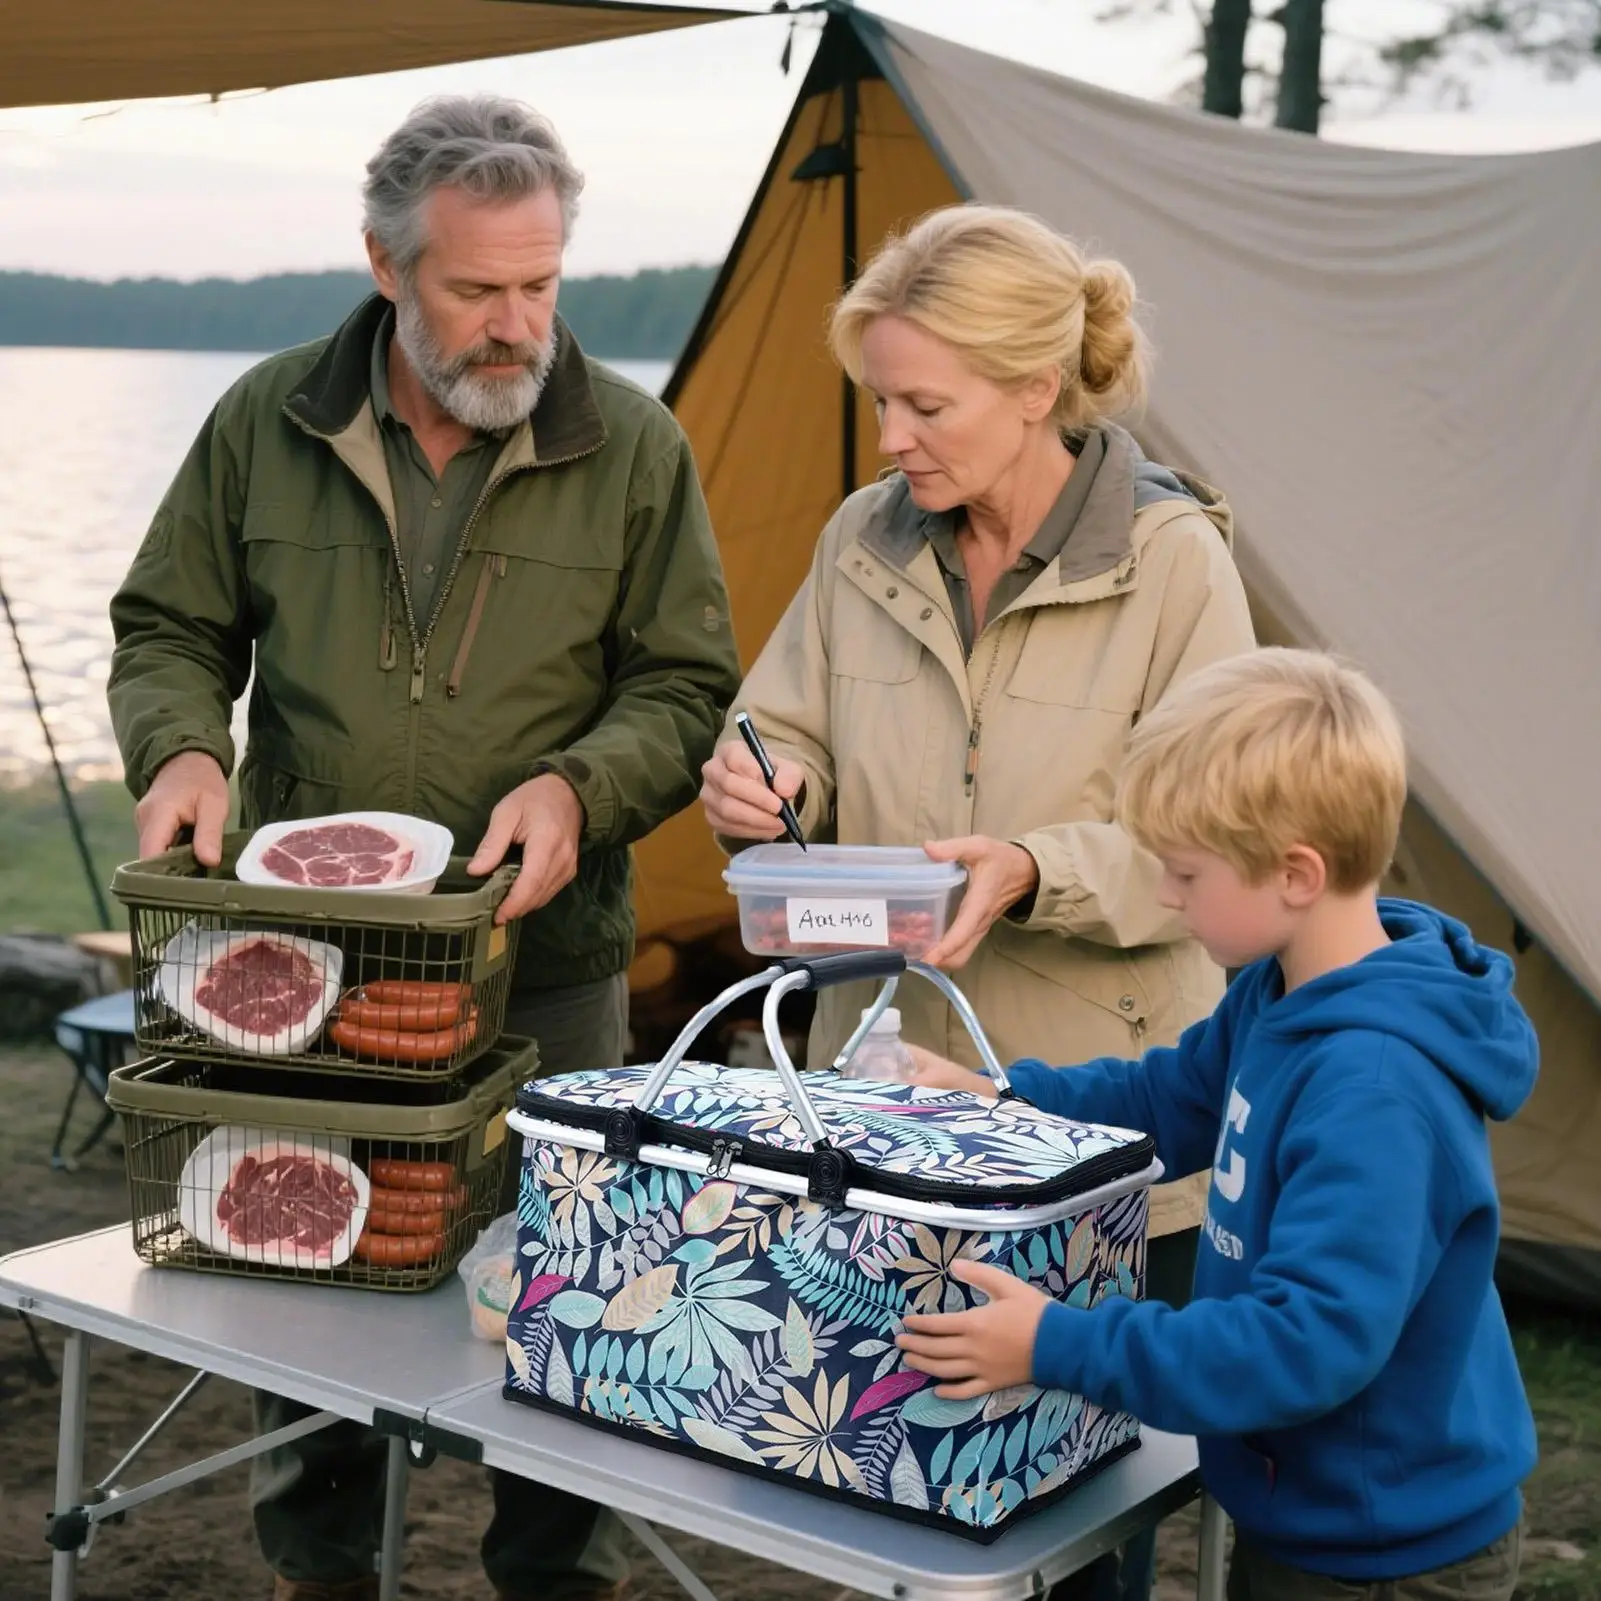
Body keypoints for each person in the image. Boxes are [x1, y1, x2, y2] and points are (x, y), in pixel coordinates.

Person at [107, 95, 741, 1601]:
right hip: (306, 968)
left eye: (542, 283)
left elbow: (683, 683)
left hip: (549, 961)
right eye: (477, 289)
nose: (519, 324)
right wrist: (182, 745)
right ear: (387, 266)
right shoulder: (263, 418)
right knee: (309, 1282)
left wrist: (582, 787)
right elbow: (169, 627)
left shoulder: (635, 444)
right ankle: (319, 1568)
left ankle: (555, 1579)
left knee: (569, 1300)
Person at [699, 203, 1255, 1599]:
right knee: (880, 1480)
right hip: (885, 1109)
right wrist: (765, 782)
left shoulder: (1174, 560)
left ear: (1032, 389)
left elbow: (1219, 834)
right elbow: (783, 723)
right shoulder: (859, 537)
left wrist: (1028, 867)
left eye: (923, 404)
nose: (890, 435)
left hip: (1098, 1139)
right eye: (880, 399)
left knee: (1072, 1525)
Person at [898, 648, 1537, 1601]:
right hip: (1309, 1506)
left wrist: (1057, 1343)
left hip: (1386, 1552)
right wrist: (1002, 1099)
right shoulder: (1277, 989)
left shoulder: (1374, 1090)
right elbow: (1168, 1100)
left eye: (1186, 872)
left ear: (1294, 873)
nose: (1166, 895)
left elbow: (1301, 1343)